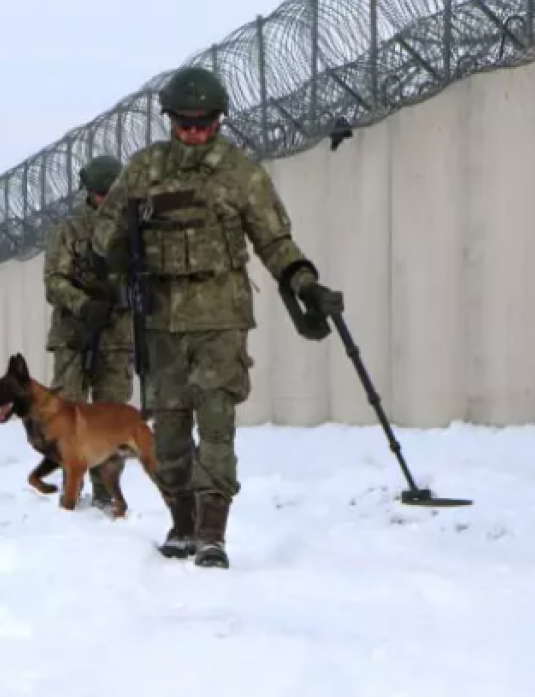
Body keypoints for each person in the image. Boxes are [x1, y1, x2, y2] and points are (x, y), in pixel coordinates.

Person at [90, 65, 341, 569]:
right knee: (172, 438)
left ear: (219, 120)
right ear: (170, 121)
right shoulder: (144, 170)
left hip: (221, 321)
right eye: (186, 124)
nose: (196, 134)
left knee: (218, 428)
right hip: (161, 326)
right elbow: (104, 240)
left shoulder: (238, 172)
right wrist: (122, 239)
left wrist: (304, 281)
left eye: (206, 124)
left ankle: (211, 533)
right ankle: (181, 521)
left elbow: (273, 239)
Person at [42, 154, 134, 510]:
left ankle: (106, 489)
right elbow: (54, 282)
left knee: (110, 417)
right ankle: (71, 483)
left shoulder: (132, 228)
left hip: (117, 335)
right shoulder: (69, 229)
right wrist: (83, 304)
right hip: (75, 334)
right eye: (100, 193)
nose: (105, 200)